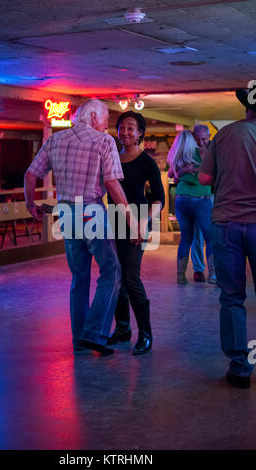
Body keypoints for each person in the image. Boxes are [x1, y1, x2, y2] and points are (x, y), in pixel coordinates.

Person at [24, 99, 139, 357]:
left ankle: (79, 340)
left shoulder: (56, 139)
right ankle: (95, 333)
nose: (107, 126)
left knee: (80, 278)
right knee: (112, 271)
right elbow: (111, 182)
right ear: (95, 118)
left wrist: (30, 204)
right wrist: (131, 219)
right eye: (107, 120)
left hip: (66, 213)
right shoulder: (104, 141)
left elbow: (31, 175)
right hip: (91, 212)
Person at [199, 88, 256, 388]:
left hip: (226, 223)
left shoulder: (225, 134)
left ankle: (241, 367)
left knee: (232, 297)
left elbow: (204, 179)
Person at [107, 111, 165, 355]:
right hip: (113, 222)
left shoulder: (146, 162)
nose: (126, 133)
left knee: (130, 277)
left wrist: (143, 223)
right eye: (122, 128)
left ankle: (145, 334)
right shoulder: (110, 157)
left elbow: (159, 199)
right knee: (116, 277)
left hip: (137, 223)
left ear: (140, 133)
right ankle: (122, 329)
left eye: (131, 128)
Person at [167, 130, 215, 285]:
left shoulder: (177, 156)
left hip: (181, 200)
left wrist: (182, 171)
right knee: (210, 238)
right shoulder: (202, 152)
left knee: (185, 239)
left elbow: (170, 175)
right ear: (192, 140)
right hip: (201, 199)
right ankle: (213, 276)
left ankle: (180, 276)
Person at [191, 124, 216, 284]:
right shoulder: (191, 152)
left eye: (204, 139)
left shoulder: (215, 149)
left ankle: (214, 272)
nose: (201, 142)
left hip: (212, 196)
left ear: (208, 137)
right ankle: (198, 270)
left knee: (212, 235)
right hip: (196, 196)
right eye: (198, 139)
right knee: (196, 235)